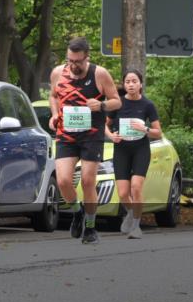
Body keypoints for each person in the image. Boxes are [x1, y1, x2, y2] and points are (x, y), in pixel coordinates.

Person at [49, 37, 121, 244]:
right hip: (66, 134)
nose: (73, 65)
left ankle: (90, 228)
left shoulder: (99, 74)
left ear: (86, 57)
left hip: (91, 135)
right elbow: (53, 96)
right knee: (63, 181)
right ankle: (77, 212)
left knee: (88, 181)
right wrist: (54, 115)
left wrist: (101, 106)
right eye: (70, 60)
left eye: (78, 61)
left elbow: (117, 101)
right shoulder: (57, 73)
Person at [104, 70, 161, 239]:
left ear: (140, 84)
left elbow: (158, 132)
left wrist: (145, 129)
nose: (130, 84)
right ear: (124, 84)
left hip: (140, 150)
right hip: (121, 150)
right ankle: (131, 213)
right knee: (122, 194)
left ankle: (136, 226)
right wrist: (111, 136)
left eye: (134, 81)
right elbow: (104, 125)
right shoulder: (117, 104)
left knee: (136, 187)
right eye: (127, 81)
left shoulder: (148, 105)